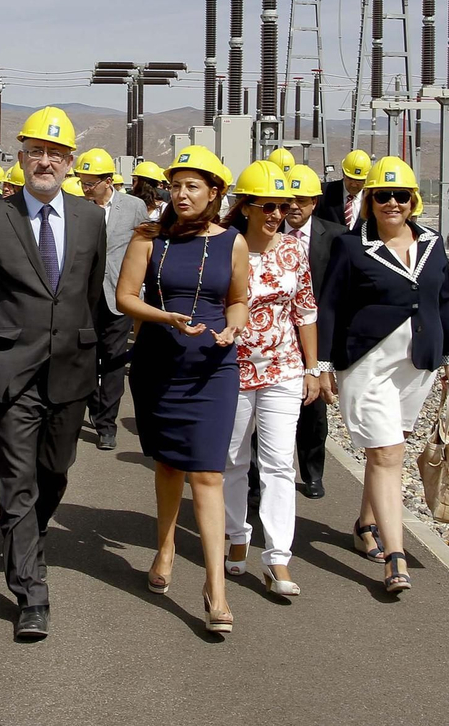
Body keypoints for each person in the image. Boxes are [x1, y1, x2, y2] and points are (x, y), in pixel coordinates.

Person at [0, 106, 107, 641]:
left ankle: (30, 534)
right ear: (21, 159)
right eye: (36, 152)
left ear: (70, 162)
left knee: (55, 470)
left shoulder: (90, 219)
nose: (45, 161)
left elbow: (89, 291)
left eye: (56, 154)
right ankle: (31, 592)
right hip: (11, 370)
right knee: (16, 479)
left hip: (70, 367)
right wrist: (1, 337)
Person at [316, 156, 449, 596]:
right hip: (367, 366)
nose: (392, 203)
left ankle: (365, 523)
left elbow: (447, 299)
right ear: (370, 201)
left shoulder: (432, 243)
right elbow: (330, 306)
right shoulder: (351, 245)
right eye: (383, 196)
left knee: (389, 450)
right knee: (387, 454)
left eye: (400, 196)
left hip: (416, 366)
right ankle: (396, 555)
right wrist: (322, 365)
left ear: (413, 200)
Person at [117, 146, 249, 635]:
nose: (181, 194)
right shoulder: (148, 237)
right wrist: (165, 316)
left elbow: (238, 299)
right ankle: (166, 546)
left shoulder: (233, 242)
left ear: (215, 193)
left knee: (209, 473)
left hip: (214, 368)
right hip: (159, 364)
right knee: (170, 464)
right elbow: (124, 297)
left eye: (193, 186)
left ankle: (216, 588)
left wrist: (234, 326)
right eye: (176, 186)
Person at [220, 161, 318, 600]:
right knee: (233, 459)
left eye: (283, 206)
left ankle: (277, 555)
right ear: (245, 207)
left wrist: (313, 368)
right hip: (233, 369)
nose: (277, 214)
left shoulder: (294, 250)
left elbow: (305, 310)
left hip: (284, 368)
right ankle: (236, 534)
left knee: (279, 463)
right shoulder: (225, 246)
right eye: (268, 206)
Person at [75, 147, 149, 451]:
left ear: (108, 181)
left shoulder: (133, 207)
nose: (85, 188)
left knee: (114, 361)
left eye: (90, 183)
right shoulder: (77, 207)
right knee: (86, 359)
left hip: (119, 296)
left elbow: (147, 245)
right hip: (84, 298)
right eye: (82, 182)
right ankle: (94, 406)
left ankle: (107, 424)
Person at [284, 163, 344, 499]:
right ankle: (256, 481)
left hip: (316, 336)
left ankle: (312, 474)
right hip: (275, 336)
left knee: (313, 411)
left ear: (314, 203)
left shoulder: (335, 237)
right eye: (289, 200)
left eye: (302, 200)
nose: (294, 206)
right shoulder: (265, 232)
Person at [317, 149, 371, 231]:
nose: (353, 184)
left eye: (359, 180)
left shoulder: (373, 199)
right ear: (343, 173)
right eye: (350, 179)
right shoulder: (324, 192)